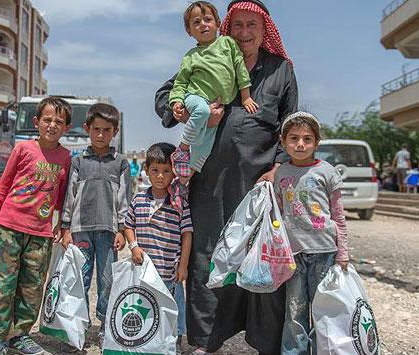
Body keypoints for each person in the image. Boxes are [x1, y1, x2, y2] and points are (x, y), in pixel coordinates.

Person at [155, 1, 297, 353]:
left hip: (258, 187)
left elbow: (290, 125)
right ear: (227, 29)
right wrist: (186, 108)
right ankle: (205, 340)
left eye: (253, 26)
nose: (245, 33)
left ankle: (264, 340)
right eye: (238, 26)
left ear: (265, 31)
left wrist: (278, 167)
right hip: (209, 184)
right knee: (207, 256)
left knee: (261, 257)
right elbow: (164, 98)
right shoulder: (207, 58)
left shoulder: (281, 71)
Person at [0, 97, 73, 355]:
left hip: (41, 232)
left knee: (33, 286)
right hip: (10, 226)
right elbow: (4, 184)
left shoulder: (66, 157)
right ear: (36, 122)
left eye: (59, 121)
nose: (52, 125)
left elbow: (62, 195)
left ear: (66, 128)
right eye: (47, 120)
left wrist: (60, 224)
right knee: (5, 285)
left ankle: (19, 335)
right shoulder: (22, 149)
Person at [273, 112, 349, 355]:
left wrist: (343, 254)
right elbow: (277, 214)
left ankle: (323, 350)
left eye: (307, 139)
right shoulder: (281, 173)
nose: (300, 144)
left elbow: (339, 217)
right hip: (293, 254)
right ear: (283, 142)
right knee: (295, 310)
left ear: (317, 142)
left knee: (322, 308)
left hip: (324, 251)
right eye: (293, 138)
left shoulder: (327, 172)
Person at [59, 103, 128, 344]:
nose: (101, 135)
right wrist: (65, 228)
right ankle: (76, 327)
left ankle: (104, 327)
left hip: (108, 233)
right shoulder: (78, 162)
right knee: (80, 279)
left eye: (107, 130)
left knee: (107, 281)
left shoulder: (120, 163)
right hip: (80, 232)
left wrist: (122, 230)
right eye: (96, 129)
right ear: (87, 129)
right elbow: (69, 196)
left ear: (115, 132)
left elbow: (124, 200)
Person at [169, 1, 258, 183]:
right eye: (196, 22)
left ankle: (185, 179)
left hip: (217, 104)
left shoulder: (228, 44)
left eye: (208, 19)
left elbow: (240, 68)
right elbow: (180, 82)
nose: (203, 24)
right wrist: (176, 102)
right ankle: (183, 148)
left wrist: (246, 96)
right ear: (189, 31)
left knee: (205, 146)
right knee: (202, 111)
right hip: (195, 97)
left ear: (218, 23)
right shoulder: (191, 56)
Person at [124, 142, 193, 352]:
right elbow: (128, 226)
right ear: (146, 171)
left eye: (166, 171)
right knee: (147, 306)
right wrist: (134, 247)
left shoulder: (179, 203)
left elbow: (187, 235)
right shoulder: (138, 200)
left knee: (175, 307)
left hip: (169, 272)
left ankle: (176, 338)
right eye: (155, 170)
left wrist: (183, 266)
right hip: (145, 271)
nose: (160, 176)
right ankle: (147, 338)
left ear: (174, 173)